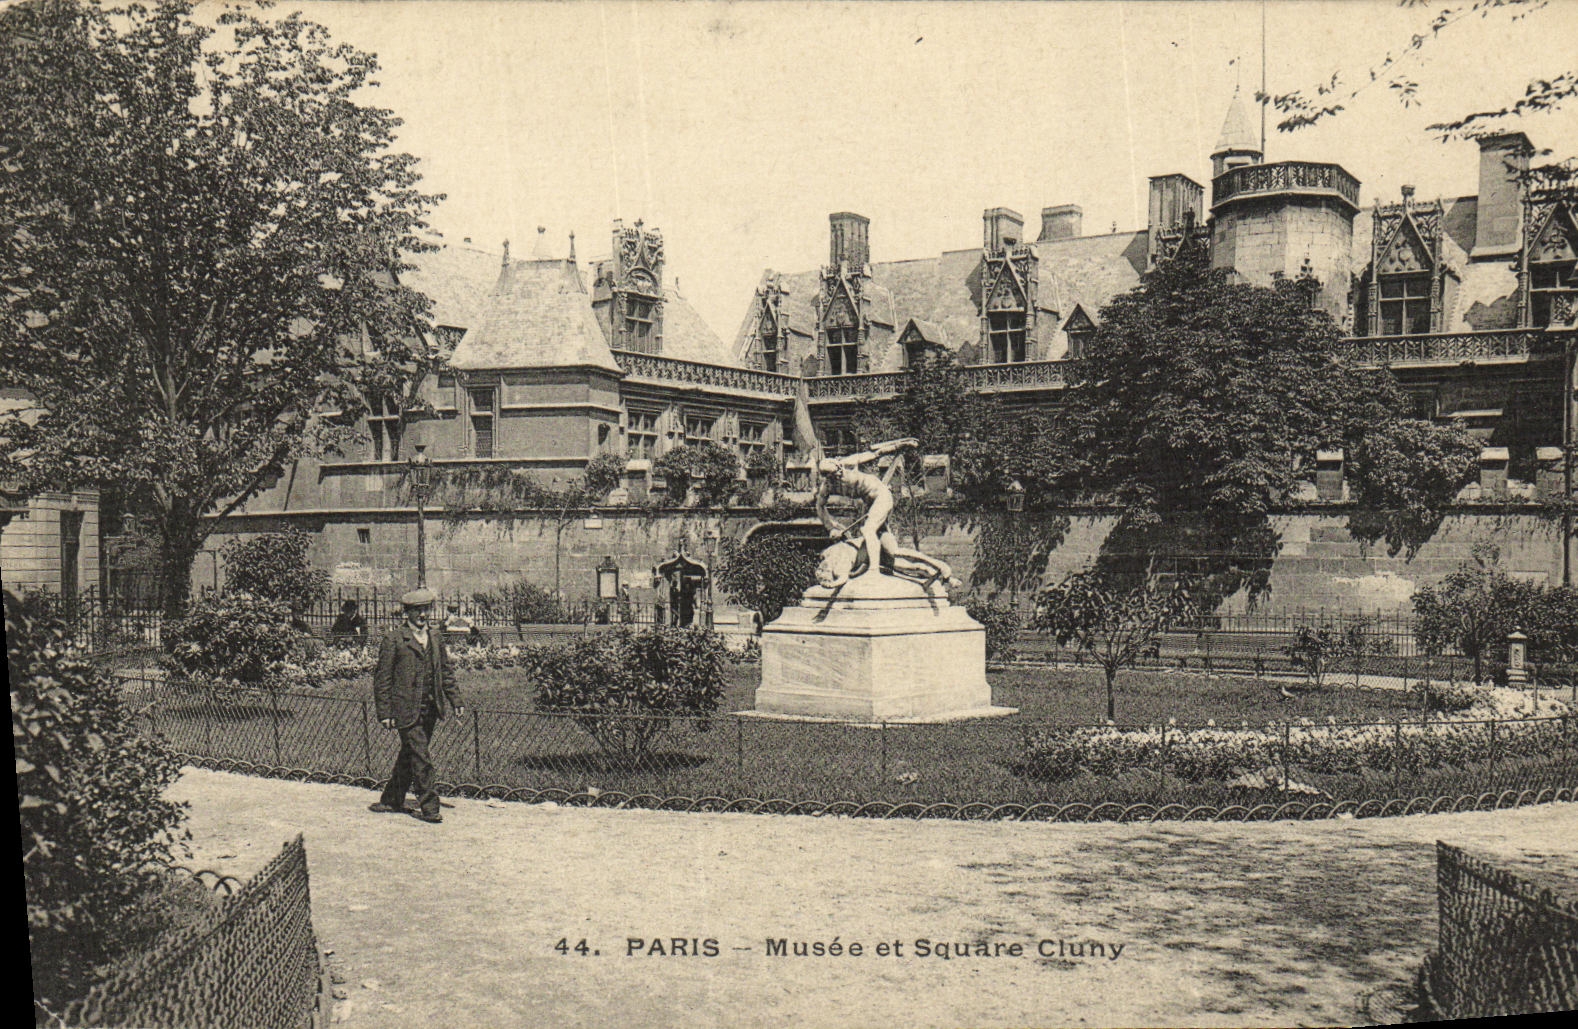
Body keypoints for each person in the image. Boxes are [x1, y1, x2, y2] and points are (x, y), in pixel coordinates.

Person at [370, 587, 464, 823]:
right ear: (407, 613)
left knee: (409, 755)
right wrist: (385, 712)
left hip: (430, 708)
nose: (423, 615)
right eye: (417, 611)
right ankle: (430, 806)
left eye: (426, 610)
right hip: (405, 709)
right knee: (421, 758)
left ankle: (392, 798)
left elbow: (445, 671)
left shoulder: (434, 637)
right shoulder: (394, 640)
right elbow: (383, 679)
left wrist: (455, 700)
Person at [814, 438, 961, 589]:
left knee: (868, 529)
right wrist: (831, 527)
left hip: (882, 497)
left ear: (839, 466)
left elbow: (875, 452)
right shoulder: (827, 487)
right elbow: (819, 506)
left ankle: (873, 570)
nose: (838, 476)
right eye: (832, 476)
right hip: (870, 505)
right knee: (892, 552)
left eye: (838, 472)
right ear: (827, 477)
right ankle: (939, 569)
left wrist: (900, 445)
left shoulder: (849, 463)